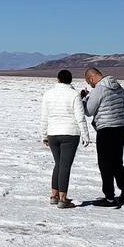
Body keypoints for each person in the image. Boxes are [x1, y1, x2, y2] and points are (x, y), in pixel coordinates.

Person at [81, 67, 124, 208]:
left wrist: (84, 99)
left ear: (91, 78)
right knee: (117, 163)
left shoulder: (99, 89)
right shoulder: (117, 86)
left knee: (105, 164)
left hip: (107, 130)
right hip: (121, 128)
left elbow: (88, 111)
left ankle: (109, 197)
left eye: (89, 82)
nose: (91, 85)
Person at [40, 69, 92, 209]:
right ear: (70, 80)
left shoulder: (48, 94)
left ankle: (54, 195)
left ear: (57, 79)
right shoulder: (74, 95)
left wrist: (44, 134)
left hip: (53, 133)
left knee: (58, 164)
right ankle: (63, 199)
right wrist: (85, 135)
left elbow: (44, 116)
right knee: (64, 166)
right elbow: (80, 116)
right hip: (70, 133)